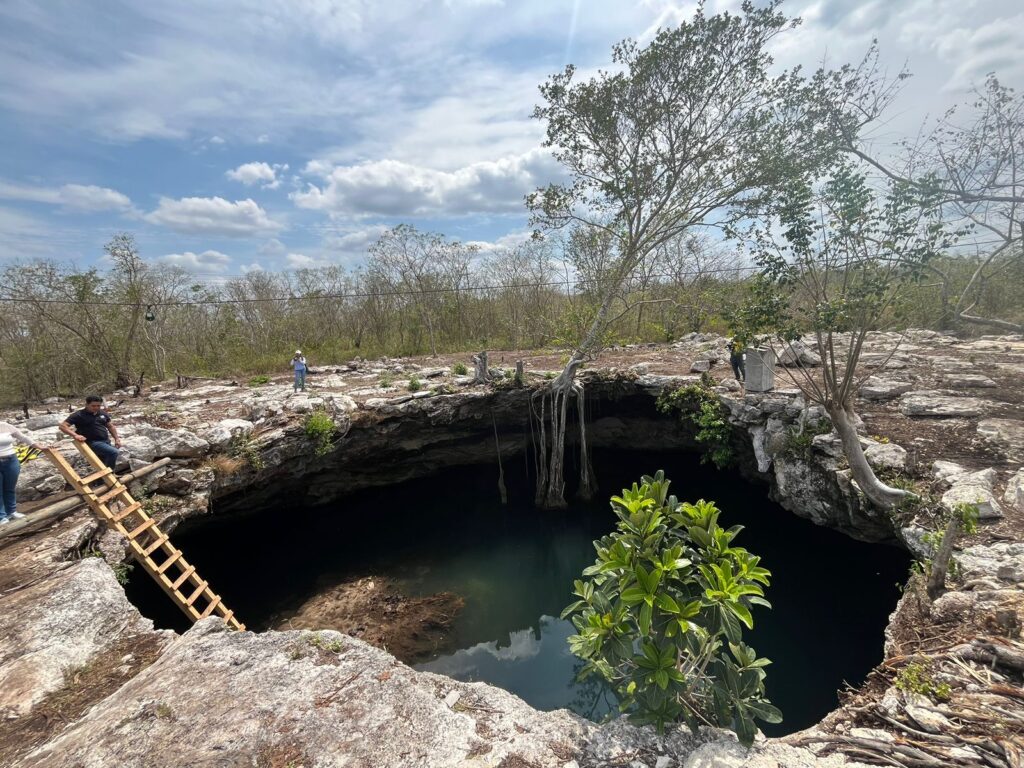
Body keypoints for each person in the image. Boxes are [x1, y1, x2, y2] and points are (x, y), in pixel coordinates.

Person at [0, 422, 46, 525]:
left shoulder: (5, 425)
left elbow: (23, 437)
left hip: (11, 460)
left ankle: (11, 512)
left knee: (10, 488)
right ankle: (1, 517)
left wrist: (40, 447)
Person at [59, 395, 122, 470]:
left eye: (98, 406)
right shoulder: (79, 415)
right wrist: (75, 435)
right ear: (87, 405)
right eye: (93, 406)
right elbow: (63, 426)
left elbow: (110, 426)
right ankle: (111, 474)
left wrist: (117, 439)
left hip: (105, 441)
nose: (96, 408)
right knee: (114, 452)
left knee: (103, 462)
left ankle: (103, 480)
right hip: (92, 442)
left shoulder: (102, 413)